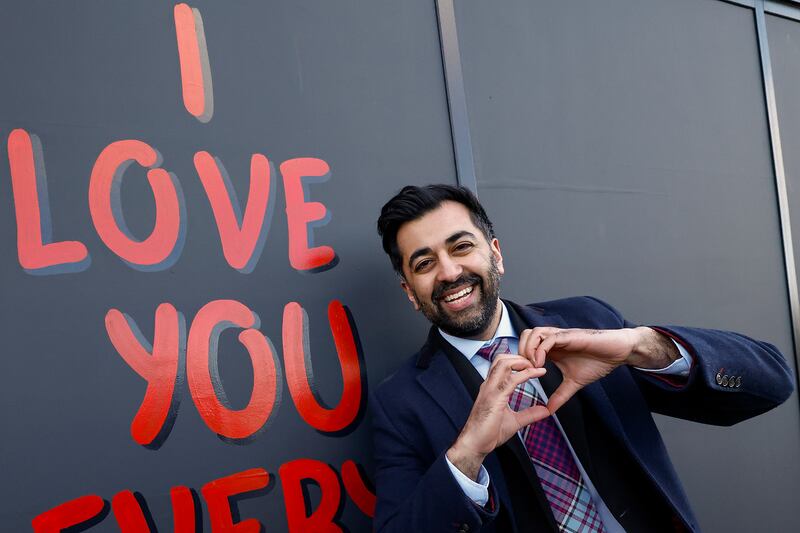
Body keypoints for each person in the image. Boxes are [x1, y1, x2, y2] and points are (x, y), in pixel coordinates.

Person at [371, 184, 795, 532]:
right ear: (411, 293)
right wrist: (466, 455)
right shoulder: (400, 403)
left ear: (495, 254)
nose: (448, 272)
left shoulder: (589, 322)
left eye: (461, 246)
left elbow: (772, 383)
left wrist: (640, 347)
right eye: (425, 263)